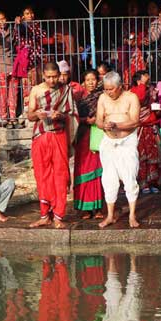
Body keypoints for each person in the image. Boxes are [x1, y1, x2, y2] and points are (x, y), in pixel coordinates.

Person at [26, 62, 78, 229]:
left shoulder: (66, 90)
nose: (52, 80)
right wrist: (37, 114)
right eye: (48, 77)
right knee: (42, 175)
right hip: (41, 135)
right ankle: (44, 215)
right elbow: (30, 116)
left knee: (60, 175)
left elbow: (73, 114)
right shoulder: (36, 90)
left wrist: (60, 115)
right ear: (43, 76)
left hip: (59, 135)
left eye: (55, 76)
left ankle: (58, 215)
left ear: (59, 74)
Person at [96, 71, 141, 229]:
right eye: (106, 89)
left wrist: (117, 125)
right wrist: (105, 125)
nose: (108, 92)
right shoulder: (102, 98)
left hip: (127, 142)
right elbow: (98, 120)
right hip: (108, 142)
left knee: (130, 179)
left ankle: (132, 215)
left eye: (111, 89)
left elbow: (135, 122)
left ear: (120, 86)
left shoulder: (131, 97)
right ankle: (110, 215)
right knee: (109, 180)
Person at [73, 70, 105, 218]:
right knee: (84, 169)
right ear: (83, 82)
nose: (91, 82)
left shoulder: (103, 96)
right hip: (84, 137)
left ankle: (98, 207)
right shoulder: (78, 98)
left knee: (99, 170)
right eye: (88, 80)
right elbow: (72, 118)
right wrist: (86, 120)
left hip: (98, 136)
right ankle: (85, 208)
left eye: (93, 79)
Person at [130, 71, 161, 193]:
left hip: (151, 126)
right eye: (145, 81)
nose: (148, 83)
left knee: (153, 156)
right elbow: (141, 98)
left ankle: (153, 182)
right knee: (141, 157)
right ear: (138, 81)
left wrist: (158, 111)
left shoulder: (152, 90)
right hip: (139, 128)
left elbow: (153, 105)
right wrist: (142, 85)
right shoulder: (132, 92)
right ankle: (143, 184)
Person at [0, 11, 19, 126]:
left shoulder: (11, 30)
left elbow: (17, 37)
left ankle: (13, 117)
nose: (2, 21)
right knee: (1, 94)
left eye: (3, 18)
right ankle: (3, 118)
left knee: (13, 93)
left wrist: (17, 24)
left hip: (12, 64)